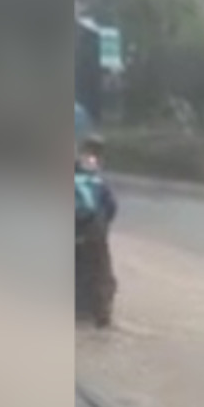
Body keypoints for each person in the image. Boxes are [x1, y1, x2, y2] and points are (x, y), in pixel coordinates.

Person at [75, 138, 118, 325]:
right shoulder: (97, 178)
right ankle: (101, 315)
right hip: (95, 229)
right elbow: (111, 207)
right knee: (101, 272)